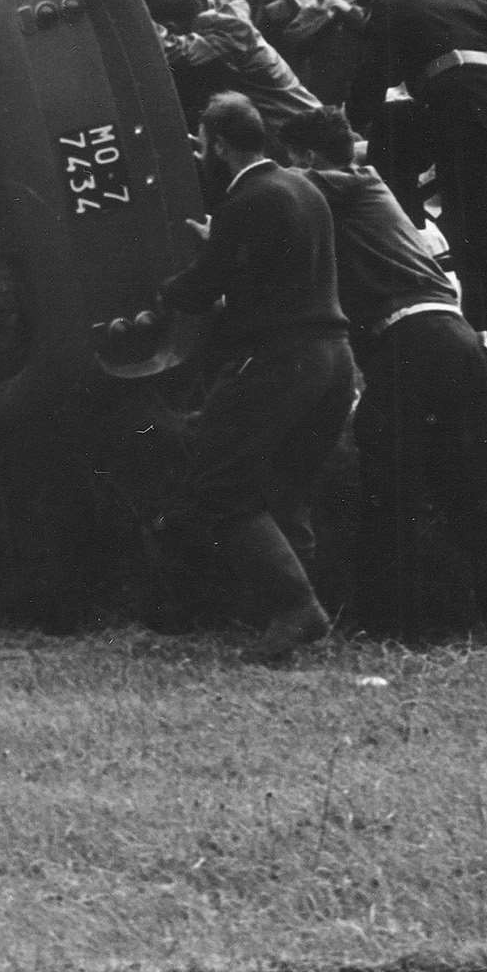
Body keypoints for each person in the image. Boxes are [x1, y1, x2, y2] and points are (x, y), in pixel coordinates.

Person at [276, 107, 487, 638]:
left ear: (306, 156)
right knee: (474, 484)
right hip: (451, 338)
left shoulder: (345, 185)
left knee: (392, 488)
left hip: (412, 340)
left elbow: (277, 191)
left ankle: (401, 622)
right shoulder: (364, 189)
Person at [141, 92, 354, 661]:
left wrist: (158, 298)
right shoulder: (302, 187)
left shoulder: (246, 201)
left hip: (281, 362)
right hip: (334, 358)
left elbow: (203, 287)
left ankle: (295, 609)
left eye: (204, 145)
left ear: (220, 145)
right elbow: (273, 265)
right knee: (288, 486)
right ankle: (297, 616)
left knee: (219, 484)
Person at [346, 0, 487, 345]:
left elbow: (372, 77)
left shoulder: (389, 4)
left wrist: (355, 121)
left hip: (454, 113)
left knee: (465, 221)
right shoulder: (469, 4)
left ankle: (407, 221)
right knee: (472, 217)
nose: (370, 2)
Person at [138, 0, 321, 130]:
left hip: (309, 136)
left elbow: (167, 48)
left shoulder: (224, 36)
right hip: (305, 125)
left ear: (171, 27)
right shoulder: (223, 10)